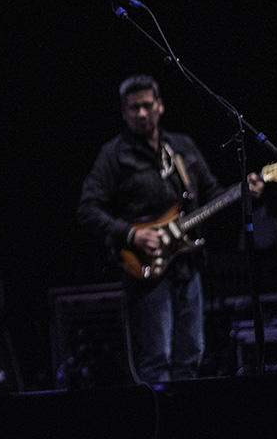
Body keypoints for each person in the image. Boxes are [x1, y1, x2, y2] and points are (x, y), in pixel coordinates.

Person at [77, 75, 226, 383]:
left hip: (187, 263)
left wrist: (243, 190)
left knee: (191, 355)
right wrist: (131, 234)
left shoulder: (182, 147)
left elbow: (211, 194)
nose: (141, 113)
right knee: (156, 358)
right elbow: (88, 209)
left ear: (160, 106)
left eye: (147, 105)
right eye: (134, 108)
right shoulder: (114, 154)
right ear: (124, 112)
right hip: (145, 269)